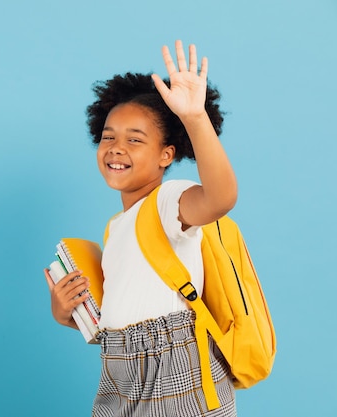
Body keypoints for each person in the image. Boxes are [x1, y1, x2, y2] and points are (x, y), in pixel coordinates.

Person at [43, 40, 238, 417]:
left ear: (167, 154)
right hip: (120, 370)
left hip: (174, 371)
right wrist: (67, 315)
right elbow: (123, 320)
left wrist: (195, 119)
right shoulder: (116, 229)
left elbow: (221, 198)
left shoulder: (168, 203)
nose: (116, 147)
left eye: (135, 139)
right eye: (108, 136)